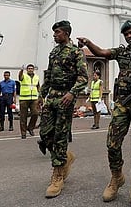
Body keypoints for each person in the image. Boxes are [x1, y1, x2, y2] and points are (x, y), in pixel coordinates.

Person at [77, 20, 131, 207]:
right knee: (112, 143)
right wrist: (88, 42)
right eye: (126, 34)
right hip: (123, 104)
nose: (130, 36)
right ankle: (116, 177)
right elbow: (102, 53)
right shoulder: (122, 52)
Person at [38, 20, 88, 198]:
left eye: (57, 32)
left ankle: (58, 175)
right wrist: (41, 95)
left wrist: (72, 93)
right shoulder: (54, 52)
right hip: (51, 97)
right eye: (54, 32)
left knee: (60, 136)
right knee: (45, 134)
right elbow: (49, 75)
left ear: (66, 33)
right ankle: (66, 157)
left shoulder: (76, 52)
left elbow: (83, 78)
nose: (54, 35)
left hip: (65, 99)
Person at [18, 64, 40, 139]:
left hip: (34, 98)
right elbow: (20, 77)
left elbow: (38, 86)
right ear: (27, 69)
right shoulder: (24, 76)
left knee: (35, 113)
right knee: (23, 116)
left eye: (31, 68)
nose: (30, 70)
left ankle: (30, 128)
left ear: (33, 69)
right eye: (29, 68)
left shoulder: (36, 77)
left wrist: (40, 96)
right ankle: (23, 133)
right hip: (24, 99)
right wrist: (21, 70)